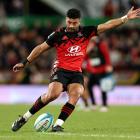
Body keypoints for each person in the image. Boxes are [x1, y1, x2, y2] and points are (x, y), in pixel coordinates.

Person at [11, 7, 140, 132]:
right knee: (53, 95)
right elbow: (40, 48)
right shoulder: (58, 34)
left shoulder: (86, 32)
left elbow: (107, 25)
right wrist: (25, 62)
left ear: (79, 21)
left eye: (75, 22)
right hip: (60, 69)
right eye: (69, 22)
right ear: (66, 20)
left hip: (76, 72)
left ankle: (58, 125)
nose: (72, 25)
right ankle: (24, 118)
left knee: (76, 93)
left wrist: (125, 18)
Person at [82, 36, 114, 112]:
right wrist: (88, 50)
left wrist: (108, 65)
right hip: (93, 71)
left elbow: (106, 55)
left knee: (103, 88)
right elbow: (85, 57)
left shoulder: (101, 44)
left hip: (102, 70)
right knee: (89, 86)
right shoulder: (89, 46)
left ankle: (104, 105)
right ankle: (93, 103)